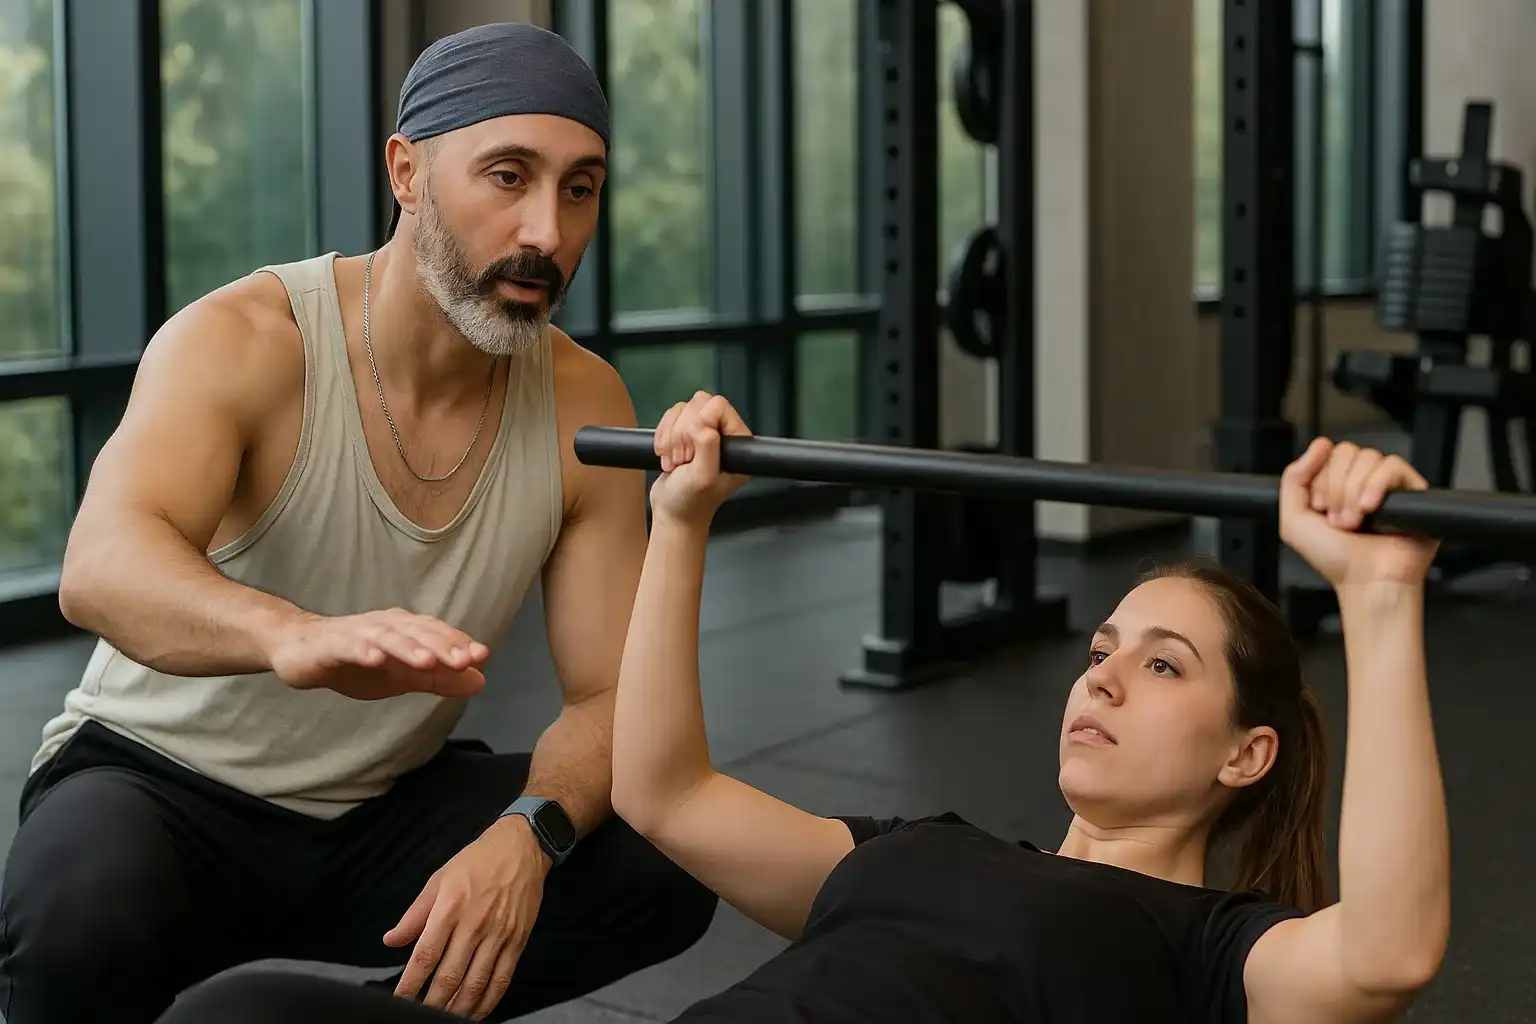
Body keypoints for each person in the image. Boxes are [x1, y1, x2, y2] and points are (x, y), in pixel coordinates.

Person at [149, 395, 1452, 1024]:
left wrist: (1381, 598)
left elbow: (1389, 953)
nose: (1100, 675)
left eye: (1163, 667)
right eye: (1102, 648)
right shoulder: (919, 844)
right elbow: (664, 794)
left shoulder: (1208, 953)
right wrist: (680, 522)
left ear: (1248, 753)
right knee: (239, 1016)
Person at [0, 22, 717, 1024]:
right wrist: (288, 635)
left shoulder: (581, 400)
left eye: (580, 188)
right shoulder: (246, 339)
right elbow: (101, 565)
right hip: (162, 785)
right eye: (508, 176)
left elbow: (609, 697)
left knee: (668, 857)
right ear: (407, 173)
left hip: (380, 807)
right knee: (78, 925)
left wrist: (528, 834)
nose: (548, 232)